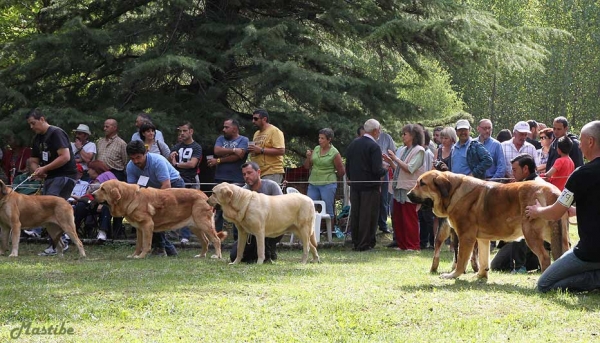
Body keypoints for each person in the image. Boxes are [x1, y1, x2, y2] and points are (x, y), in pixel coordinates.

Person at [526, 120, 600, 293]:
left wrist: (538, 211)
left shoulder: (580, 175)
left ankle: (596, 279)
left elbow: (556, 212)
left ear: (590, 142)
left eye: (581, 141)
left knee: (545, 284)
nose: (579, 146)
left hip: (589, 252)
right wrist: (576, 211)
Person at [26, 108, 78, 256]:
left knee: (51, 210)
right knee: (47, 210)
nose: (32, 127)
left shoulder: (56, 133)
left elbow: (65, 157)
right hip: (50, 177)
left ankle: (57, 245)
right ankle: (59, 243)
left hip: (64, 176)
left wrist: (45, 168)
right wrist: (37, 170)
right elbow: (34, 160)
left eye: (33, 123)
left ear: (42, 119)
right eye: (29, 124)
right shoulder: (37, 139)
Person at [126, 140, 182, 256]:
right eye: (132, 158)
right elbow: (133, 190)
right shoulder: (130, 167)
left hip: (173, 185)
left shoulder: (158, 161)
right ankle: (165, 249)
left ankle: (162, 248)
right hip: (151, 190)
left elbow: (166, 186)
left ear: (146, 152)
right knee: (149, 217)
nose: (136, 161)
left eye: (138, 157)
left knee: (155, 216)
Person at [491, 154, 544, 273]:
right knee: (496, 264)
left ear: (525, 169)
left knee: (497, 265)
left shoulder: (531, 186)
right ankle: (530, 262)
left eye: (515, 170)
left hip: (532, 237)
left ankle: (520, 266)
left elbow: (524, 220)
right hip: (530, 239)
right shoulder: (530, 183)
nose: (512, 173)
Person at [345, 119, 388, 252]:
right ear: (375, 131)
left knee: (356, 214)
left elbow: (348, 164)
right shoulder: (374, 146)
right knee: (368, 215)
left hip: (355, 185)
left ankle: (356, 241)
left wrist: (351, 178)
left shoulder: (353, 143)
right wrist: (386, 168)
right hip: (370, 186)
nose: (379, 132)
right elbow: (377, 170)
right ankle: (365, 243)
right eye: (379, 129)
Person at [229, 162, 284, 263]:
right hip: (250, 231)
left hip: (273, 225)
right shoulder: (243, 191)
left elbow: (281, 207)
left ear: (258, 172)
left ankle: (268, 251)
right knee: (233, 256)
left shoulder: (272, 186)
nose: (246, 176)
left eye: (249, 173)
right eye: (244, 174)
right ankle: (263, 253)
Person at [383, 124, 425, 251]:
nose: (402, 136)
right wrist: (390, 161)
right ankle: (402, 244)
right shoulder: (402, 149)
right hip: (398, 188)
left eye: (404, 134)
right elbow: (399, 170)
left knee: (409, 218)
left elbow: (410, 168)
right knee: (398, 218)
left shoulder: (419, 150)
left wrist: (395, 158)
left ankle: (412, 245)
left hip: (410, 189)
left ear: (412, 136)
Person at [207, 119, 248, 236]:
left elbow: (238, 157)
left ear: (234, 129)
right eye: (224, 127)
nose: (223, 129)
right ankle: (216, 237)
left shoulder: (243, 140)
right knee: (218, 208)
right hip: (220, 177)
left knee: (236, 207)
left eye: (226, 127)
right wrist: (234, 150)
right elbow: (217, 150)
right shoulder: (220, 139)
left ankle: (237, 237)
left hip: (237, 178)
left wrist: (219, 160)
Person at [304, 128, 345, 230]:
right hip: (313, 183)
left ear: (329, 139)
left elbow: (341, 171)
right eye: (319, 138)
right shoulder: (316, 149)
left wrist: (333, 178)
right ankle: (310, 231)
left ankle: (330, 233)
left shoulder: (334, 153)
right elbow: (307, 166)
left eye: (322, 138)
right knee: (309, 206)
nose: (320, 140)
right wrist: (308, 157)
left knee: (328, 208)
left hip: (328, 184)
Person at [169, 121, 202, 244]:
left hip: (190, 180)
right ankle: (173, 233)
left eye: (184, 131)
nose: (181, 133)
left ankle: (185, 236)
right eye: (180, 131)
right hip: (177, 180)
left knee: (188, 208)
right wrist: (171, 157)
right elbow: (169, 163)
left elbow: (192, 164)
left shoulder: (196, 147)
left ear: (191, 131)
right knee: (174, 207)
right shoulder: (176, 147)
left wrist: (176, 164)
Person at [95, 118, 128, 239]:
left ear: (114, 128)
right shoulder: (100, 142)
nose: (104, 128)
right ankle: (103, 230)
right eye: (104, 126)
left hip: (115, 174)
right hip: (100, 175)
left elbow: (125, 161)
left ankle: (117, 231)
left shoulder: (121, 143)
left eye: (107, 126)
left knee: (114, 202)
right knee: (102, 200)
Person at [73, 160, 118, 241]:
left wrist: (102, 203)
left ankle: (102, 232)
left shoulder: (108, 175)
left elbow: (114, 191)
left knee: (106, 207)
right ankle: (72, 231)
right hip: (93, 203)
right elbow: (87, 196)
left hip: (110, 203)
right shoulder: (91, 182)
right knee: (81, 205)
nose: (88, 172)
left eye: (89, 169)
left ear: (95, 169)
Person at [247, 109, 286, 184]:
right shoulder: (256, 133)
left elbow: (281, 151)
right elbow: (257, 150)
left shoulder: (275, 131)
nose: (253, 121)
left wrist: (261, 150)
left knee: (268, 196)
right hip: (258, 172)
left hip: (271, 172)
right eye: (252, 119)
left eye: (256, 119)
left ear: (264, 119)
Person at [375, 128, 396, 234]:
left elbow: (393, 153)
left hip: (384, 170)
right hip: (371, 171)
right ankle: (373, 224)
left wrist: (387, 166)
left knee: (383, 198)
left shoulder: (386, 137)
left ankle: (383, 224)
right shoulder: (366, 136)